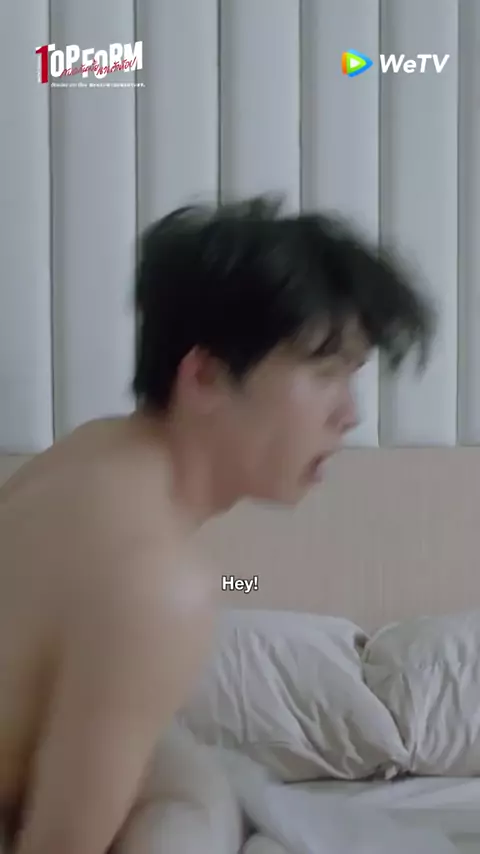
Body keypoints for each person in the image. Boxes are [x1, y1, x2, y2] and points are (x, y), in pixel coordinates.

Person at [0, 196, 433, 854]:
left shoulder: (91, 452)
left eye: (352, 377)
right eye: (324, 373)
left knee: (197, 778)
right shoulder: (159, 585)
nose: (350, 414)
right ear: (203, 375)